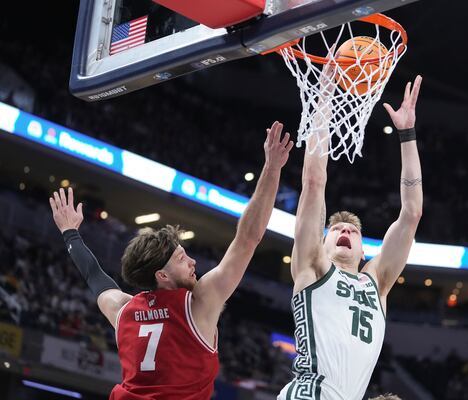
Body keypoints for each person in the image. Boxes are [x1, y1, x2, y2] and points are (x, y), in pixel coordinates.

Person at [49, 122, 293, 400]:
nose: (192, 262)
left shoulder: (124, 310)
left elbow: (94, 276)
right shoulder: (198, 303)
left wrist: (71, 233)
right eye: (181, 258)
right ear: (161, 275)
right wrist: (273, 168)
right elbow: (248, 237)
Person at [278, 76, 423, 400]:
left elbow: (412, 213)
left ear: (362, 251)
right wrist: (326, 95)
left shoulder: (377, 280)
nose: (345, 232)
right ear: (323, 243)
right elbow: (314, 181)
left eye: (353, 232)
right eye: (337, 230)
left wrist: (407, 134)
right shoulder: (312, 267)